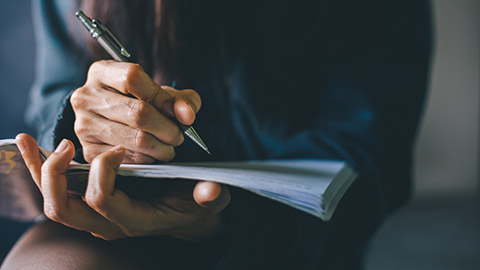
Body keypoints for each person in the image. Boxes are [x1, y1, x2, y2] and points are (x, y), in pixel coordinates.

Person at [1, 0, 432, 269]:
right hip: (109, 218)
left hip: (282, 237)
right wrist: (89, 131)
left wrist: (228, 222)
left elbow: (370, 153)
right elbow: (54, 96)